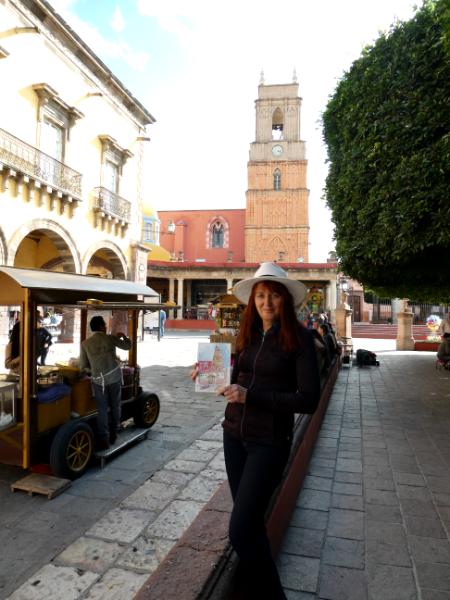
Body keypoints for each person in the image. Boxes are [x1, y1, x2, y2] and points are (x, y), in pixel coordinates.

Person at [194, 262, 320, 599]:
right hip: (234, 435)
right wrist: (209, 376)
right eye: (260, 296)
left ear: (285, 301)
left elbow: (308, 399)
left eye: (274, 296)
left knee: (238, 531)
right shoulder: (247, 335)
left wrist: (253, 397)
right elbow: (236, 381)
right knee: (249, 527)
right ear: (253, 301)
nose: (266, 302)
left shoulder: (302, 339)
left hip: (269, 443)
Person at [79, 316, 131, 449]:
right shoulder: (110, 338)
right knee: (115, 406)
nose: (106, 327)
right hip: (114, 377)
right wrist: (123, 336)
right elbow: (128, 346)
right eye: (104, 325)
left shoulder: (85, 344)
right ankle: (114, 431)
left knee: (102, 410)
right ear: (102, 326)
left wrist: (94, 370)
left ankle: (104, 439)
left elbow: (83, 366)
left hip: (98, 381)